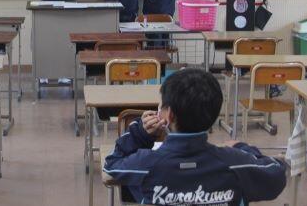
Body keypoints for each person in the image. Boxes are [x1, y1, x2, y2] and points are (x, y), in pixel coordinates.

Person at [103, 68, 287, 206]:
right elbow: (277, 172)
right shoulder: (236, 164)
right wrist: (241, 147)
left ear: (169, 115)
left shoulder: (145, 164)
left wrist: (141, 133)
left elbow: (111, 164)